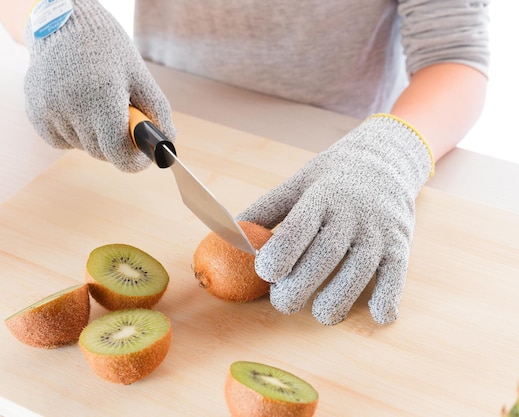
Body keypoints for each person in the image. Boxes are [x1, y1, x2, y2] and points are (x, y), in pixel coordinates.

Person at [1, 0, 490, 326]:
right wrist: (58, 19)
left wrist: (389, 151)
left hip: (333, 142)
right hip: (163, 106)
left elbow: (455, 54)